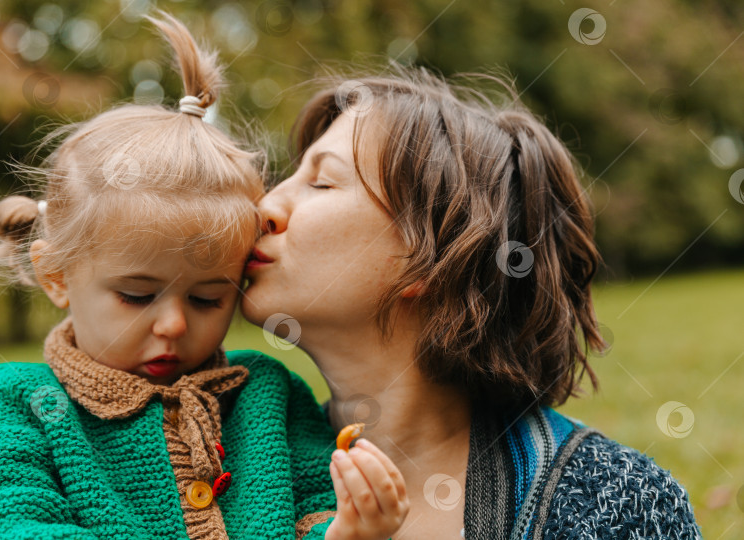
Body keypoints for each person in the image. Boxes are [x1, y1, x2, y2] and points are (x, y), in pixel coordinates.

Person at [0, 13, 407, 540]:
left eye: (209, 299)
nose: (173, 326)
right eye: (136, 295)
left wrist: (344, 530)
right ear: (56, 276)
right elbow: (0, 522)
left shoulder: (268, 396)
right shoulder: (12, 403)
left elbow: (315, 506)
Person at [242, 68, 702, 539]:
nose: (264, 208)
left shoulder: (615, 504)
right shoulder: (229, 465)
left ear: (430, 258)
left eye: (321, 183)